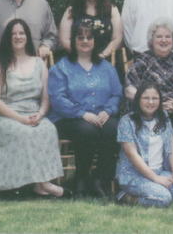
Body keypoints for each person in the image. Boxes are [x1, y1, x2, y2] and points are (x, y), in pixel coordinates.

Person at [0, 18, 65, 196]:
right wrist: (20, 119)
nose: (18, 37)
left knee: (48, 129)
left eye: (21, 33)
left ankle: (39, 184)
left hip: (33, 114)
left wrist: (40, 114)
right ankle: (44, 184)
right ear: (8, 38)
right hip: (1, 116)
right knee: (24, 132)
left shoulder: (39, 63)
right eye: (13, 34)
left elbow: (46, 98)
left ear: (27, 37)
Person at [48, 22, 122, 198]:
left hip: (101, 115)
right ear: (73, 41)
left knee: (114, 128)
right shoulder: (62, 67)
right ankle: (80, 179)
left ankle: (100, 179)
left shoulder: (106, 67)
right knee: (87, 130)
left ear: (95, 41)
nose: (85, 41)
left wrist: (108, 111)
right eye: (80, 37)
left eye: (89, 37)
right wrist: (82, 113)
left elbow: (117, 94)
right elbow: (57, 99)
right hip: (69, 117)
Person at [124, 18, 173, 162]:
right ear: (151, 40)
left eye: (168, 36)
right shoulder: (142, 61)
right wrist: (152, 104)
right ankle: (148, 167)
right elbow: (129, 89)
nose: (164, 40)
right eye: (159, 36)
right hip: (146, 112)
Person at [115, 83, 173, 207]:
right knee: (163, 198)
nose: (151, 102)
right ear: (138, 100)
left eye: (155, 98)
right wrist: (155, 179)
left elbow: (171, 146)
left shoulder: (162, 118)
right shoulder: (127, 121)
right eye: (146, 98)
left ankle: (156, 192)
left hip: (160, 172)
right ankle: (126, 196)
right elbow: (132, 155)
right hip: (133, 175)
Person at [58, 0, 123, 59]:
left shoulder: (112, 10)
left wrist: (102, 56)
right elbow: (64, 40)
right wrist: (83, 57)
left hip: (106, 59)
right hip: (77, 60)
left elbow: (117, 39)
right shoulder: (71, 10)